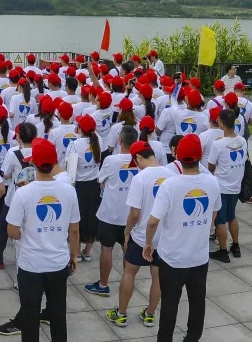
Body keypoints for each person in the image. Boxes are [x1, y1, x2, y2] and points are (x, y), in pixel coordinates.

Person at [142, 134, 221, 342]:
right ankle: (192, 338)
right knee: (197, 302)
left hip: (172, 258)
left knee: (169, 304)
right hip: (199, 256)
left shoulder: (170, 185)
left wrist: (148, 243)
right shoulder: (212, 183)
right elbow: (214, 213)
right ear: (199, 157)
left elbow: (153, 221)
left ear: (177, 155)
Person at [2, 139, 80, 342]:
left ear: (33, 163)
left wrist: (26, 235)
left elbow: (12, 231)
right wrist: (73, 255)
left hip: (31, 265)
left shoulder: (23, 193)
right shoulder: (69, 190)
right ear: (55, 162)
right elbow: (74, 229)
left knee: (30, 317)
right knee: (58, 315)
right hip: (58, 263)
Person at [105, 141, 171, 328]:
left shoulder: (140, 178)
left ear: (139, 157)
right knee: (157, 277)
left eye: (136, 163)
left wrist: (127, 232)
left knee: (129, 272)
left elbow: (134, 213)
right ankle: (150, 315)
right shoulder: (171, 175)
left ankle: (121, 314)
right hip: (162, 237)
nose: (137, 166)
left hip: (142, 236)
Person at [85, 125, 138, 297]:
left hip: (110, 214)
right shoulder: (139, 161)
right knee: (127, 249)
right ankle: (127, 282)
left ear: (119, 140)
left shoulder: (111, 160)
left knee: (106, 249)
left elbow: (100, 180)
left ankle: (103, 284)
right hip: (130, 215)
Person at [206, 109, 247, 263]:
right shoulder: (242, 141)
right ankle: (235, 245)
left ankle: (223, 251)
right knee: (232, 216)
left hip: (221, 187)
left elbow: (210, 166)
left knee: (220, 220)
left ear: (222, 123)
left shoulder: (218, 144)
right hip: (236, 185)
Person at [70, 114, 101, 262]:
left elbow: (71, 170)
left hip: (79, 186)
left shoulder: (75, 144)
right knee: (91, 217)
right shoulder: (98, 140)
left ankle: (76, 252)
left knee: (78, 218)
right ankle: (87, 251)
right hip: (94, 185)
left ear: (80, 129)